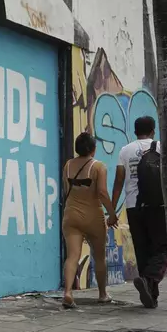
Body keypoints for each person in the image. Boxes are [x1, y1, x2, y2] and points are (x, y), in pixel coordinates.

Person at [112, 116, 167, 308]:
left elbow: (119, 180)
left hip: (133, 206)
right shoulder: (161, 147)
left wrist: (112, 210)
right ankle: (150, 279)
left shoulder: (125, 150)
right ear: (152, 130)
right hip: (157, 205)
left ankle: (151, 296)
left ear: (135, 131)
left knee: (142, 251)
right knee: (163, 248)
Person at [61, 132, 118, 308]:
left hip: (71, 215)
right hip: (93, 216)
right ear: (93, 149)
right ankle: (102, 294)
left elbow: (66, 189)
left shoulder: (68, 166)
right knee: (99, 257)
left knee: (72, 256)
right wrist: (112, 214)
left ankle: (68, 292)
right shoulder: (99, 167)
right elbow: (101, 192)